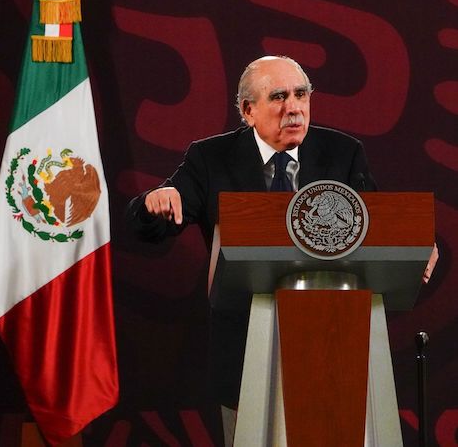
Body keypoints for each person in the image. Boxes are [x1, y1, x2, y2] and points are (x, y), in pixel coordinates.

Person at [126, 56, 438, 443]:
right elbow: (151, 223)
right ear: (248, 110)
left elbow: (375, 225)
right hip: (246, 347)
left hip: (336, 343)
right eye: (278, 96)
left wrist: (414, 241)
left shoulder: (342, 153)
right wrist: (158, 199)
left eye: (300, 94)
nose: (293, 107)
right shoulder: (210, 158)